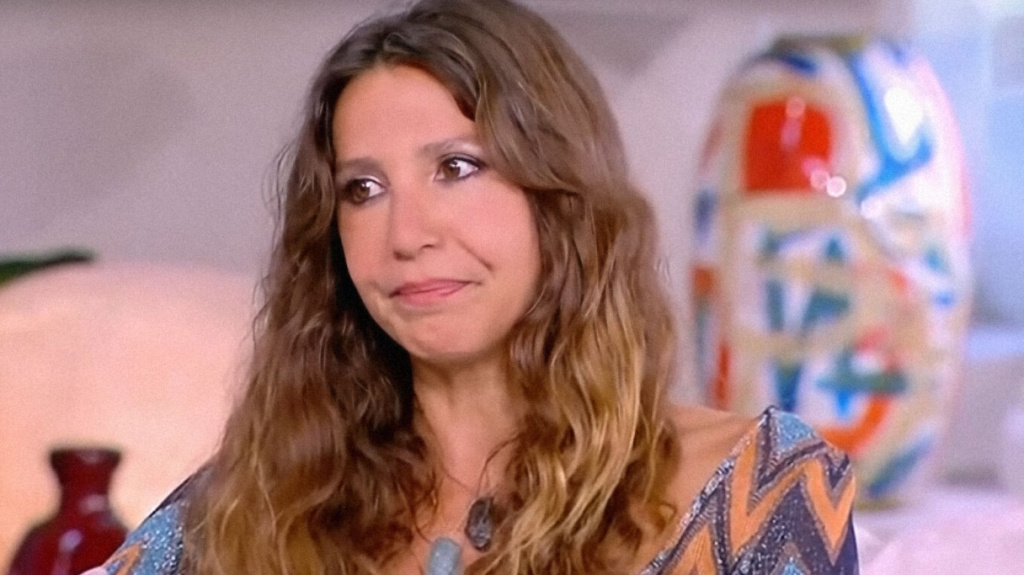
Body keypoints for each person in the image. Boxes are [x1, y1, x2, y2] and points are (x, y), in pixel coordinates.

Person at [87, 0, 859, 573]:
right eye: (363, 189)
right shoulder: (249, 505)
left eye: (456, 168)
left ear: (559, 198)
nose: (406, 233)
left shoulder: (757, 492)